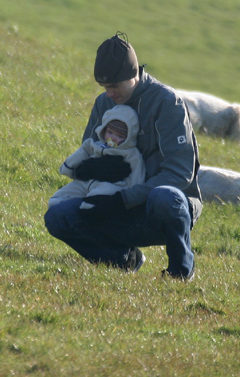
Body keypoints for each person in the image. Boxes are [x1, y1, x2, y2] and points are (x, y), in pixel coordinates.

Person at [44, 33, 202, 279]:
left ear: (134, 75)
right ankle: (121, 260)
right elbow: (89, 151)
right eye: (105, 87)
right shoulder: (103, 104)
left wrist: (124, 199)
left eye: (114, 86)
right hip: (115, 203)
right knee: (58, 215)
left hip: (160, 207)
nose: (109, 94)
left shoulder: (167, 103)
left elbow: (179, 174)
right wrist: (91, 169)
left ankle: (181, 269)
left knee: (165, 196)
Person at [48, 104, 145, 208]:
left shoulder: (131, 154)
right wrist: (69, 167)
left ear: (129, 136)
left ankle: (90, 206)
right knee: (63, 194)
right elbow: (83, 151)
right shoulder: (95, 144)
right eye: (110, 132)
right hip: (87, 181)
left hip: (112, 184)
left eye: (120, 136)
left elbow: (137, 177)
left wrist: (130, 196)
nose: (113, 138)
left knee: (103, 192)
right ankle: (59, 203)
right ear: (104, 130)